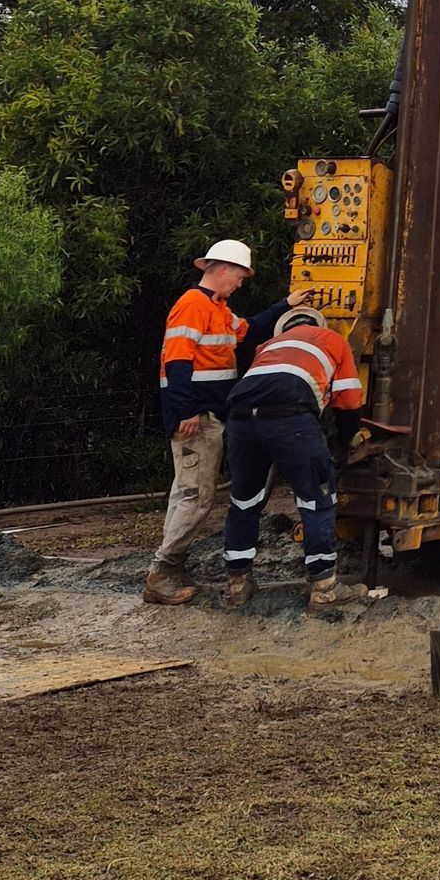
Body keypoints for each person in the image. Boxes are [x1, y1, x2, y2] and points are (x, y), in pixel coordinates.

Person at [221, 307, 365, 614]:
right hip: (291, 419)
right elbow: (349, 398)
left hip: (239, 419)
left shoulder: (267, 347)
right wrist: (346, 440)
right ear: (318, 324)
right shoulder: (333, 339)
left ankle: (237, 584)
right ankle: (325, 589)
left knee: (245, 500)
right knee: (317, 497)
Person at [143, 238, 252, 606]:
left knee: (188, 493)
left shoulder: (218, 308)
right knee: (195, 497)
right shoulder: (192, 306)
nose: (240, 282)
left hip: (203, 415)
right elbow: (177, 362)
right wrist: (185, 411)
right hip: (197, 418)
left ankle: (169, 569)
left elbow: (249, 329)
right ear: (221, 270)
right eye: (239, 275)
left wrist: (287, 306)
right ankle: (162, 573)